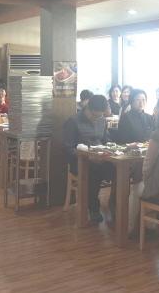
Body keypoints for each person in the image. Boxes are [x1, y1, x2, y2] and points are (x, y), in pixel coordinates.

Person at [62, 95, 113, 223]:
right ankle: (93, 208)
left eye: (100, 116)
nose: (96, 119)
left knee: (118, 170)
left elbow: (106, 140)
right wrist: (88, 156)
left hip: (100, 158)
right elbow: (68, 148)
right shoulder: (73, 121)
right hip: (80, 161)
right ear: (88, 109)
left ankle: (115, 207)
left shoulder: (102, 120)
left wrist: (109, 148)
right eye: (94, 116)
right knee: (94, 171)